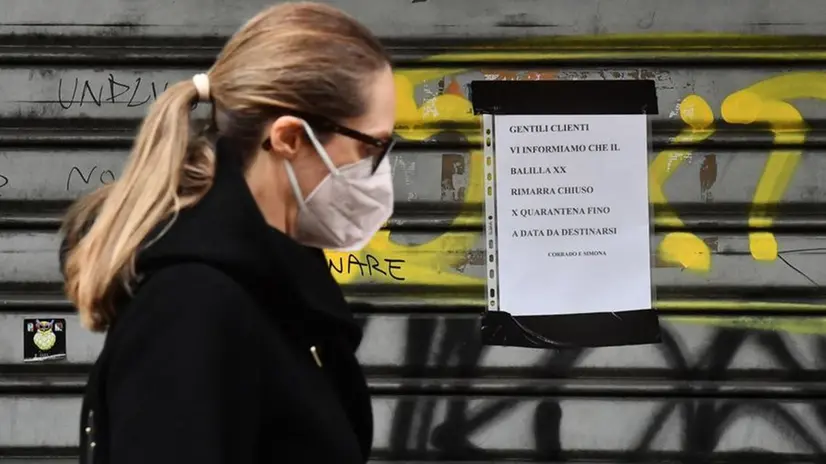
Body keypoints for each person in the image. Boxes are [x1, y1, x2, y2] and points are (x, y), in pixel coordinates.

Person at [59, 2, 396, 463]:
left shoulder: (272, 289)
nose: (379, 170)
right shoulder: (193, 309)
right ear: (290, 139)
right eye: (371, 145)